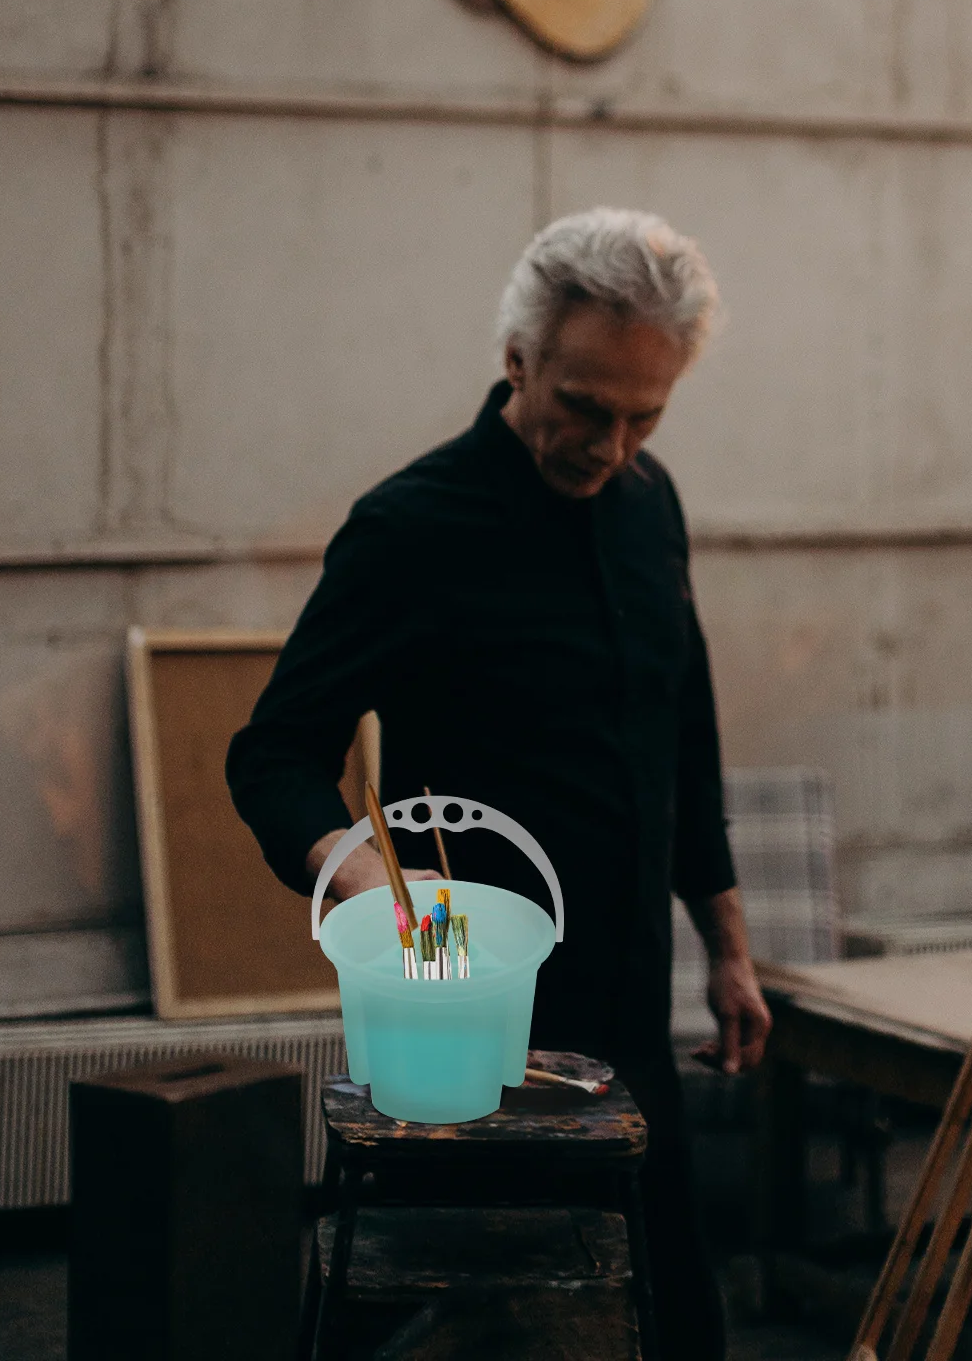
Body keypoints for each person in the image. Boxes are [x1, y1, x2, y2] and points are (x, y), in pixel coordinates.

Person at [227, 207, 773, 1359]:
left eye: (645, 415)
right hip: (466, 1026)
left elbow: (686, 727)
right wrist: (360, 875)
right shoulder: (409, 527)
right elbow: (272, 753)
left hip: (633, 1019)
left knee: (667, 1324)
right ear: (518, 357)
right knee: (487, 1330)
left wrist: (725, 939)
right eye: (584, 406)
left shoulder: (651, 505)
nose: (612, 445)